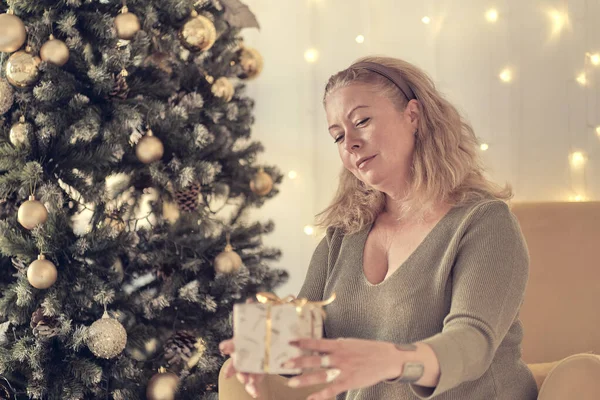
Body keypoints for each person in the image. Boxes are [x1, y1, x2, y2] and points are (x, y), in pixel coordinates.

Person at [218, 55, 539, 400]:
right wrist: (262, 348)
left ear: (412, 116)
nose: (350, 143)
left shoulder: (483, 223)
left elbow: (471, 344)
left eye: (362, 121)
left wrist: (395, 361)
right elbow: (309, 346)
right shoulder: (343, 236)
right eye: (338, 136)